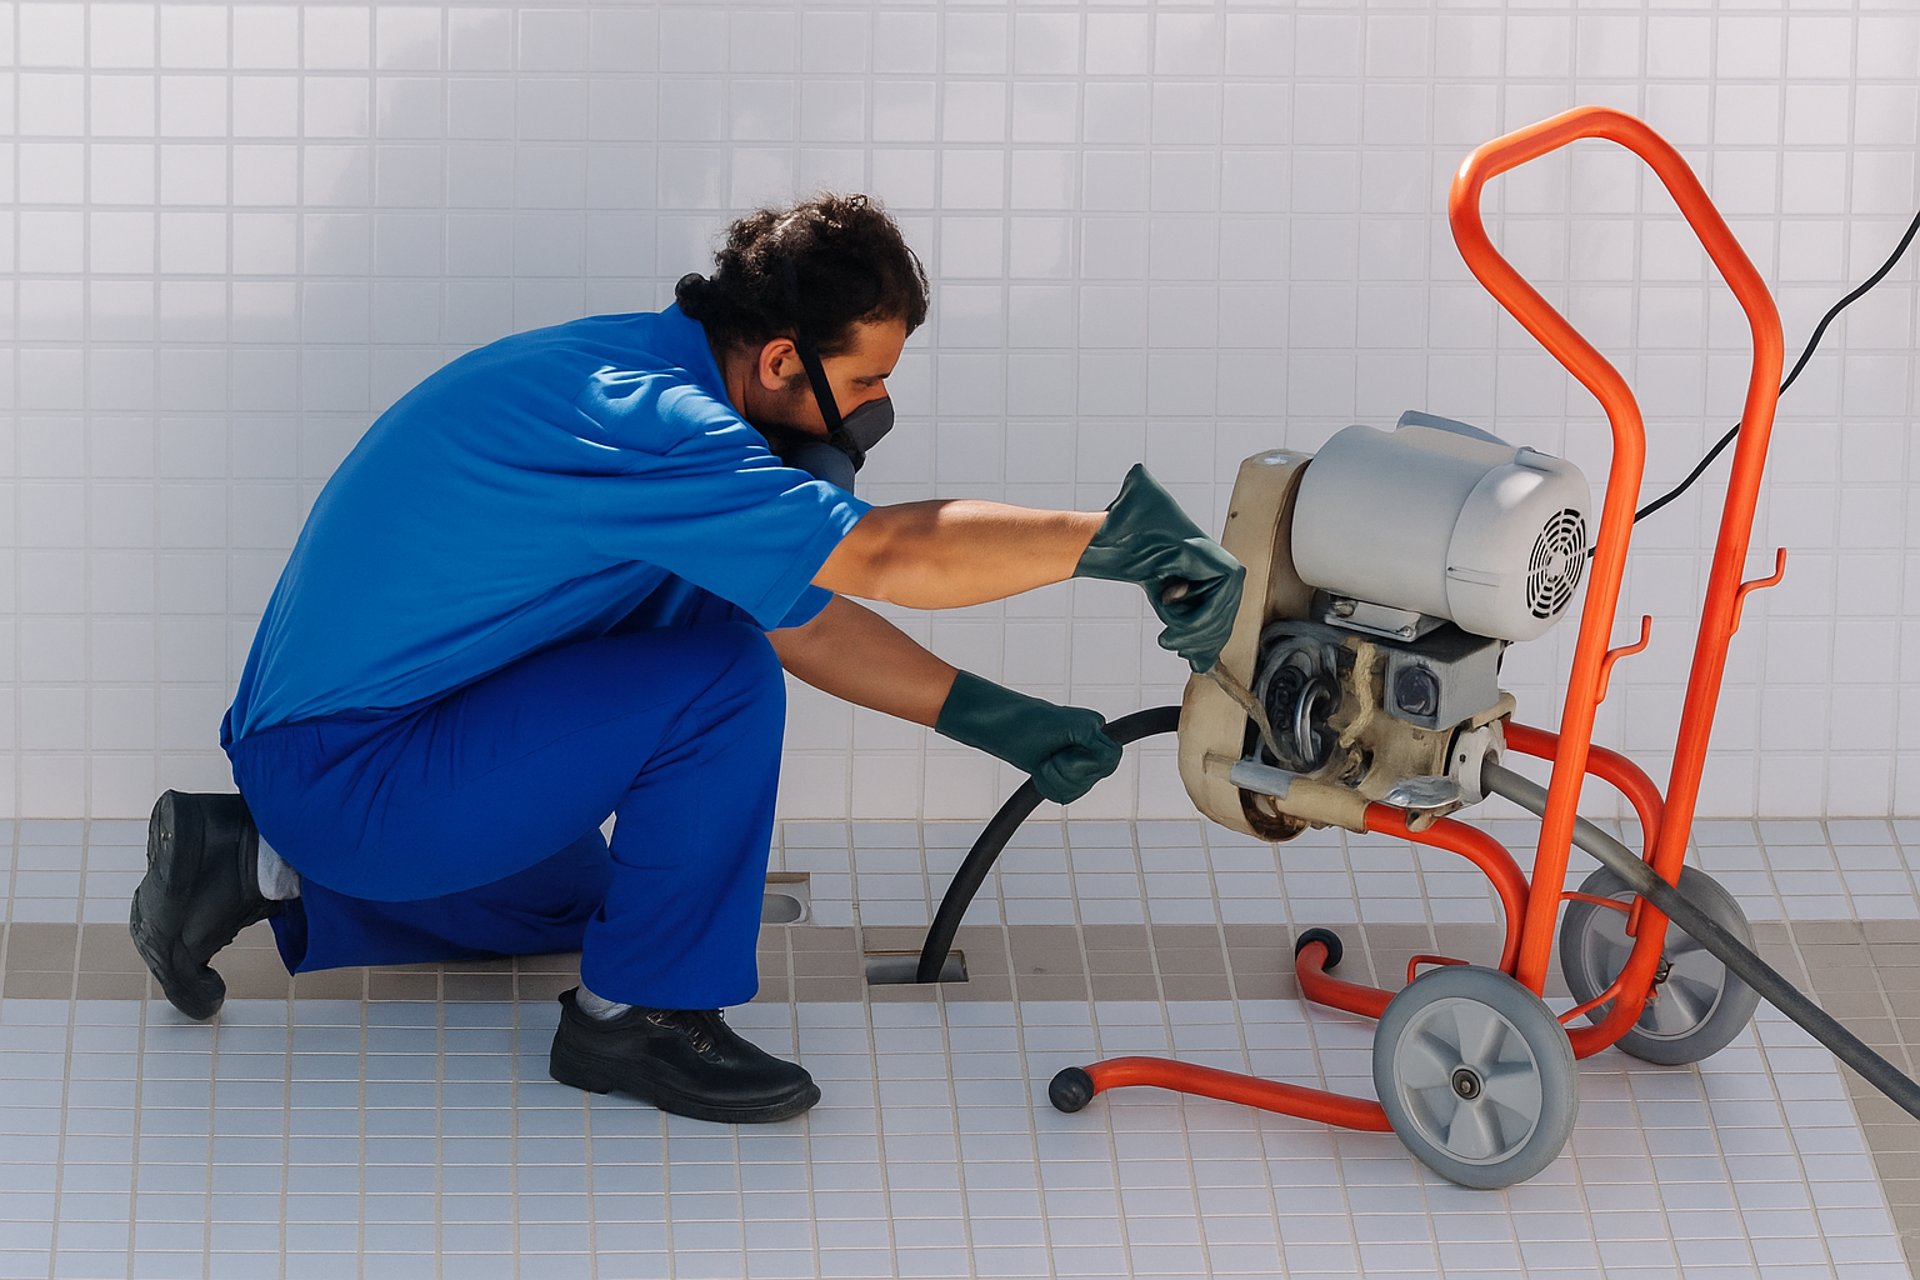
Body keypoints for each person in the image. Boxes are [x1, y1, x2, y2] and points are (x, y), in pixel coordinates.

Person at [130, 194, 1243, 1124]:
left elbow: (800, 612)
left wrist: (994, 717)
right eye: (862, 386)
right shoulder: (660, 426)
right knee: (716, 682)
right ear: (776, 358)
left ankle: (250, 860)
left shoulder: (650, 386)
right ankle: (635, 1022)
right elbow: (885, 553)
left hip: (353, 750)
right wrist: (1105, 540)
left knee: (601, 898)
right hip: (359, 767)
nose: (875, 414)